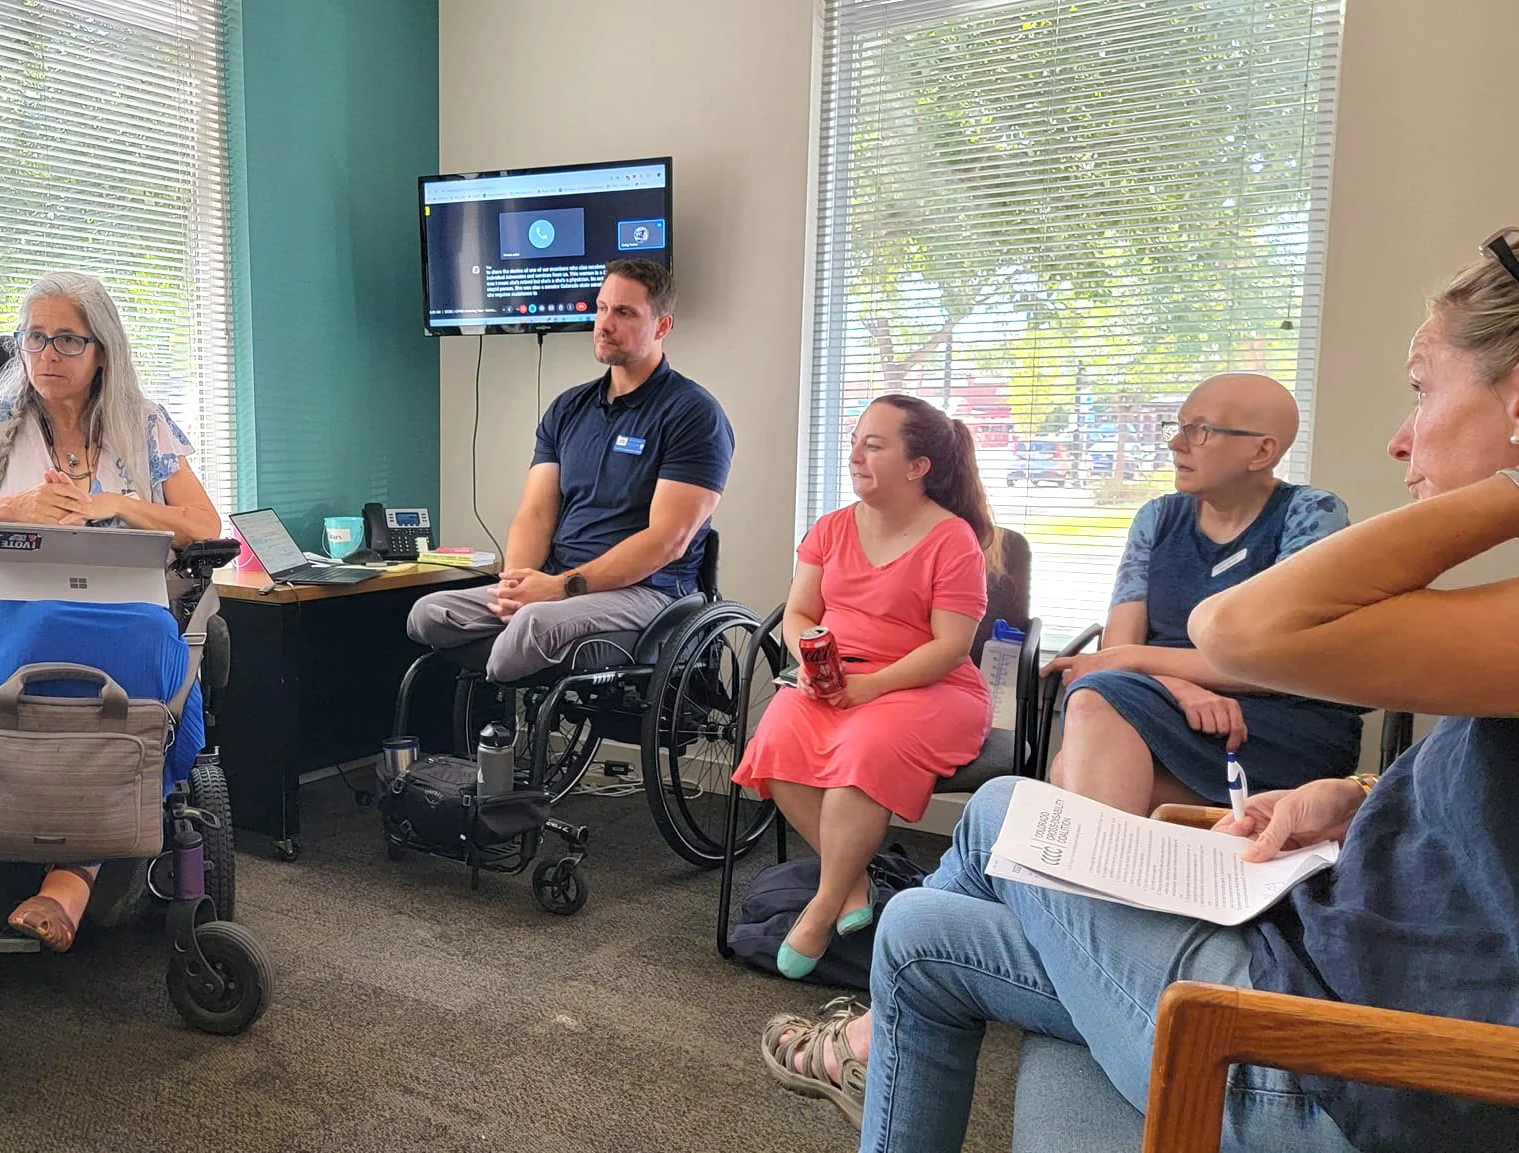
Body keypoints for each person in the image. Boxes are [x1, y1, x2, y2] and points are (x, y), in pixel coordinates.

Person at [755, 239, 1519, 1153]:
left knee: (1003, 815)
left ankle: (869, 1029)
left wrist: (1509, 485)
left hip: (1332, 1056)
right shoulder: (1161, 517)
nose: (1401, 434)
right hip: (1321, 961)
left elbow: (1240, 636)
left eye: (1421, 388)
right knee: (937, 895)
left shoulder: (1308, 515)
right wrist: (1357, 799)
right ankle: (875, 1026)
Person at [0, 271, 219, 952]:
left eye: (68, 339)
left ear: (103, 350)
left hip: (119, 610)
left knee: (158, 640)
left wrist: (116, 504)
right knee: (39, 627)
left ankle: (72, 876)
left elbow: (205, 523)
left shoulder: (142, 422)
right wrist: (9, 508)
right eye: (35, 337)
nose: (47, 354)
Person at [731, 394, 995, 979]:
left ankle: (824, 908)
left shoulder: (953, 541)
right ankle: (853, 884)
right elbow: (799, 612)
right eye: (854, 441)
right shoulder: (830, 528)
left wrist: (872, 686)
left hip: (928, 685)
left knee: (864, 754)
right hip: (838, 678)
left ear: (917, 465)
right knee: (774, 741)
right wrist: (810, 661)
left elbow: (949, 647)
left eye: (873, 445)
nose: (855, 455)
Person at [1042, 372, 1361, 814]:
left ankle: (1086, 878)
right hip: (1167, 706)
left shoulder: (1311, 513)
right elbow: (1119, 646)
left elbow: (1285, 661)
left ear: (1262, 450)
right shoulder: (1157, 517)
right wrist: (1177, 687)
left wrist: (1135, 664)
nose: (1177, 444)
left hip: (1278, 717)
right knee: (1089, 735)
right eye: (1177, 427)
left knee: (1079, 752)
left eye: (1201, 430)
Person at [405, 259, 733, 682]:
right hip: (555, 584)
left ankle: (500, 734)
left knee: (530, 627)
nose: (604, 324)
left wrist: (558, 590)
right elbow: (536, 514)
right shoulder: (568, 408)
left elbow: (667, 541)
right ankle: (508, 670)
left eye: (624, 313)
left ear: (662, 326)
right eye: (601, 308)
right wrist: (516, 584)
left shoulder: (693, 413)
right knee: (427, 614)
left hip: (647, 592)